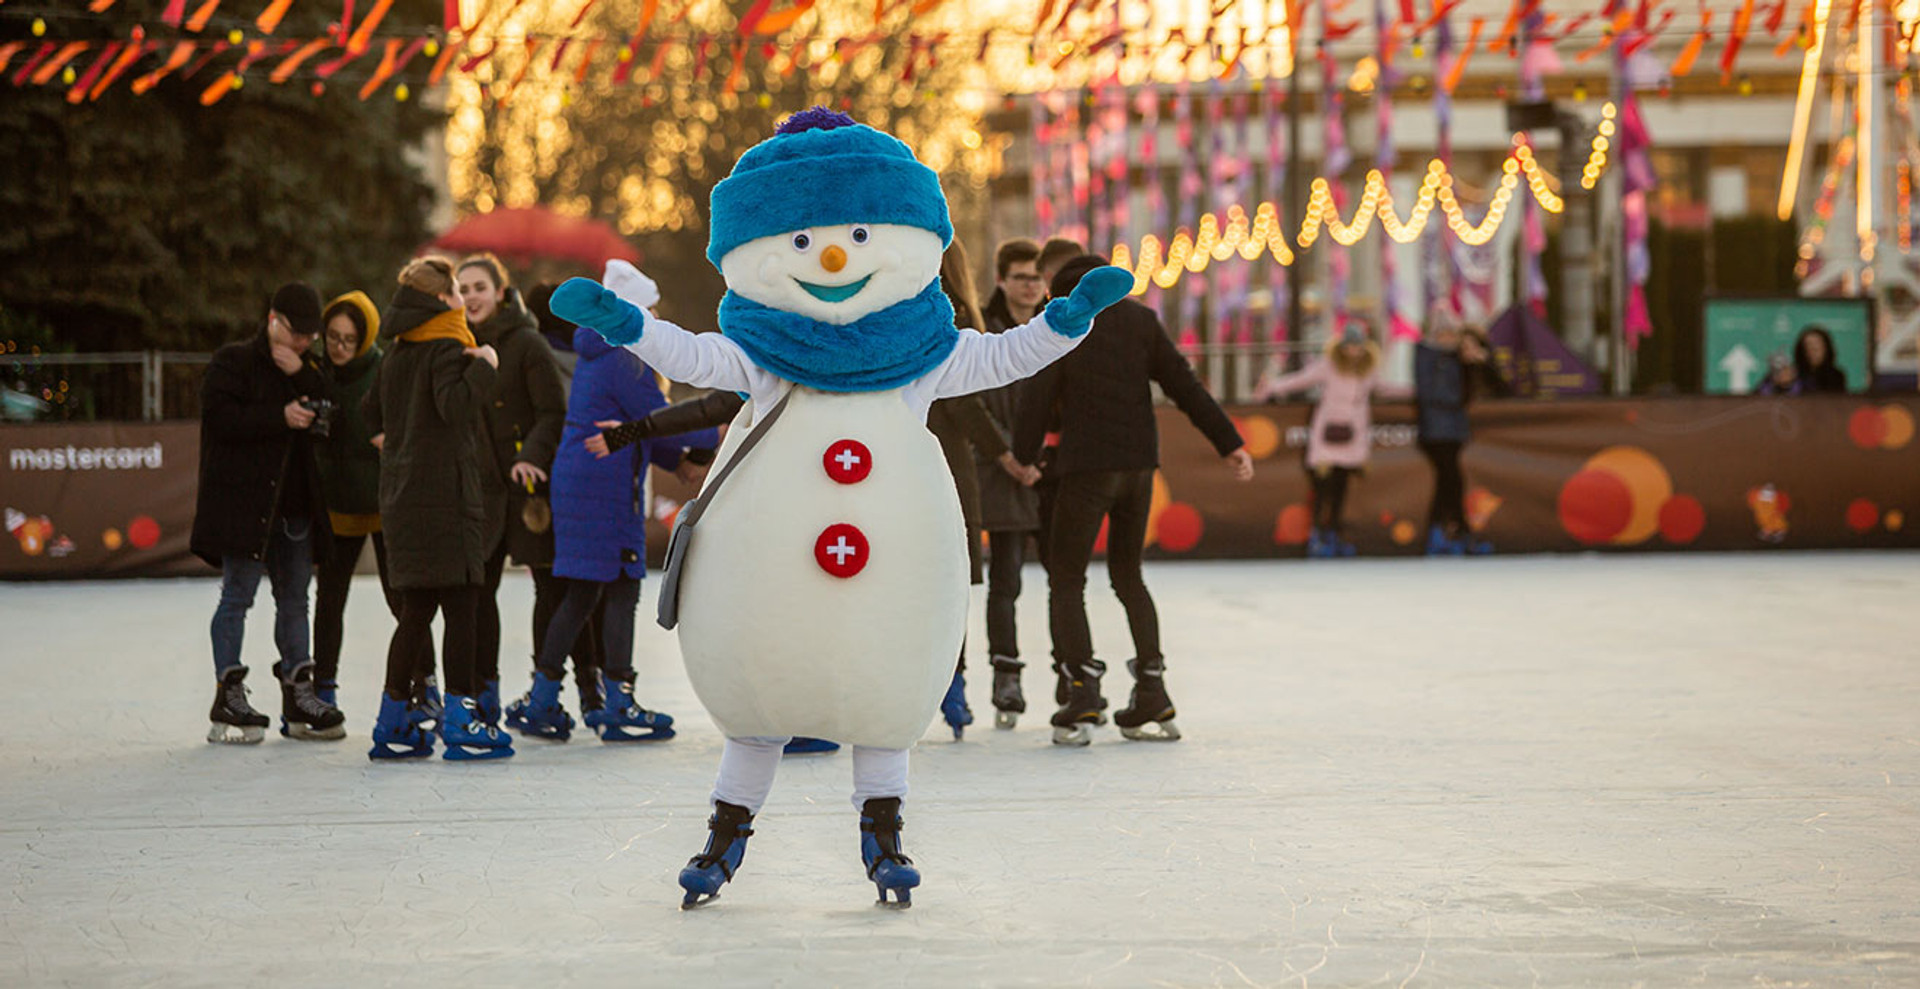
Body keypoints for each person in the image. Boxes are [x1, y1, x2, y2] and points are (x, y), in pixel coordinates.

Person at [548, 107, 1135, 909]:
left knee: (883, 697)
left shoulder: (918, 360)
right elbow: (689, 354)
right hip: (768, 588)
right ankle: (723, 838)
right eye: (801, 242)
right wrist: (627, 326)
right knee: (758, 708)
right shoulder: (763, 356)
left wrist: (1067, 322)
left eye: (860, 237)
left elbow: (1004, 355)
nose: (830, 255)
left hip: (885, 581)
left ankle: (884, 837)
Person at [1014, 254, 1253, 747]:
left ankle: (1081, 690)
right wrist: (1229, 443)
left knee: (1066, 578)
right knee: (1128, 576)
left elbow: (1038, 395)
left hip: (1085, 467)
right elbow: (1184, 385)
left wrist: (1022, 456)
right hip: (1138, 468)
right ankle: (1152, 688)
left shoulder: (1065, 319)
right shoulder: (1140, 320)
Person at [511, 269, 716, 743]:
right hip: (601, 488)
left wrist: (679, 464)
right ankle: (617, 700)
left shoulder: (603, 354)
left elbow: (638, 425)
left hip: (586, 482)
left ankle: (543, 696)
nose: (658, 318)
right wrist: (719, 426)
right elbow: (661, 419)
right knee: (621, 587)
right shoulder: (624, 359)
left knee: (583, 592)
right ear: (631, 314)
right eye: (651, 310)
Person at [363, 257, 511, 761]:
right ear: (439, 300)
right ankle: (462, 715)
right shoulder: (448, 347)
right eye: (454, 292)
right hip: (446, 500)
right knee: (464, 606)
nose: (461, 301)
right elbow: (454, 407)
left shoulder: (397, 354)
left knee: (416, 611)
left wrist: (399, 442)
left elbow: (369, 412)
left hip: (404, 498)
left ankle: (392, 717)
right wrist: (485, 366)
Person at [193, 282, 348, 744]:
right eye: (296, 333)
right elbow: (220, 419)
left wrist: (302, 373)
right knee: (237, 596)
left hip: (295, 505)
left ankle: (299, 692)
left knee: (296, 599)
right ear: (273, 319)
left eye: (309, 336)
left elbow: (328, 410)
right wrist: (278, 416)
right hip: (246, 506)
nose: (302, 342)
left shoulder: (308, 366)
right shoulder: (233, 361)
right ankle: (229, 692)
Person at [456, 254, 569, 725]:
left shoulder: (527, 343)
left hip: (528, 492)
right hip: (479, 491)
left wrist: (531, 456)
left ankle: (546, 694)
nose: (470, 297)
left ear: (500, 292)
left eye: (478, 287)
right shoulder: (455, 345)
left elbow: (553, 411)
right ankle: (484, 693)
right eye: (462, 289)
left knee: (549, 587)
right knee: (480, 593)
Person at [928, 238, 1028, 740]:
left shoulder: (900, 307)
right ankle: (951, 680)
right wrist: (1004, 453)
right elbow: (964, 403)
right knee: (949, 578)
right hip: (945, 461)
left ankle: (947, 680)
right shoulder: (951, 314)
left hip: (905, 454)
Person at [310, 291, 428, 716]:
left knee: (401, 596)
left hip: (384, 501)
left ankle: (423, 683)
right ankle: (323, 685)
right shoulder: (317, 372)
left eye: (348, 340)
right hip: (338, 502)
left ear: (364, 340)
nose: (339, 348)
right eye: (332, 338)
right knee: (329, 598)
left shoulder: (383, 368)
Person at [976, 237, 1049, 728]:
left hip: (1045, 469)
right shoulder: (980, 328)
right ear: (1002, 279)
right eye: (1022, 277)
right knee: (1002, 579)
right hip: (993, 468)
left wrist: (1038, 456)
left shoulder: (1054, 327)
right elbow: (970, 400)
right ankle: (1005, 673)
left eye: (1037, 277)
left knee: (1063, 579)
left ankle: (1077, 677)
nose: (1031, 286)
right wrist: (1006, 455)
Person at [1253, 321, 1401, 558]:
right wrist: (1272, 388)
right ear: (1342, 347)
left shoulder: (1367, 371)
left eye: (1358, 346)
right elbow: (1301, 380)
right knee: (1323, 488)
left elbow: (1384, 389)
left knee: (1341, 486)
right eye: (1351, 346)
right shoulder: (1329, 367)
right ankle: (1317, 535)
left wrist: (1414, 390)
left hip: (1353, 435)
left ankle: (1334, 533)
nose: (1354, 351)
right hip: (1328, 435)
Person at [1415, 313, 1511, 556]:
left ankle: (1448, 535)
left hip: (1454, 430)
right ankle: (1454, 534)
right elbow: (1431, 391)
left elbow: (1501, 389)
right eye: (1444, 333)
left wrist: (1482, 362)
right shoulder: (1432, 356)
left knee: (1449, 483)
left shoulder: (1458, 361)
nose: (1449, 339)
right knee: (1451, 482)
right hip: (1436, 430)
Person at [1793, 325, 1848, 393]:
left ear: (1826, 348)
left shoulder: (1836, 376)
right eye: (1807, 345)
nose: (1812, 351)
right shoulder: (1794, 376)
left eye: (1816, 346)